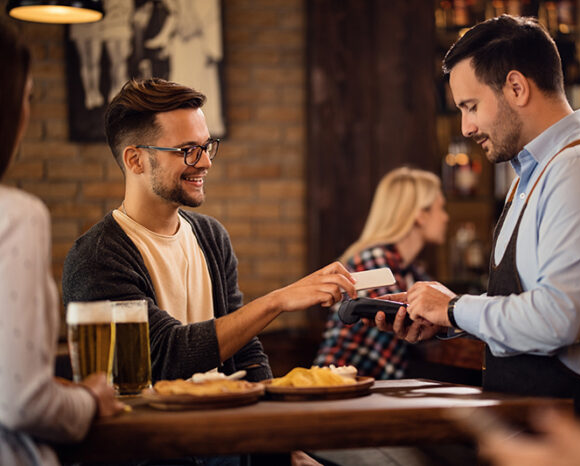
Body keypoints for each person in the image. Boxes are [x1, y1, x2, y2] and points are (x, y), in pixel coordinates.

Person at [375, 15, 580, 427]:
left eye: (471, 106)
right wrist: (446, 318)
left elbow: (558, 319)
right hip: (532, 416)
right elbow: (527, 310)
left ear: (516, 88)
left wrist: (454, 309)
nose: (466, 127)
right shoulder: (539, 170)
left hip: (573, 427)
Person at [62, 78, 356, 385]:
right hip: (147, 432)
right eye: (187, 150)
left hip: (224, 426)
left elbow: (245, 350)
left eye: (206, 147)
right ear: (135, 160)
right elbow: (165, 356)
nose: (204, 162)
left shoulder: (211, 236)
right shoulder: (96, 258)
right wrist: (277, 301)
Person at [0, 25, 123, 466]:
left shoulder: (210, 237)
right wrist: (90, 400)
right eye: (26, 97)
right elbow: (23, 401)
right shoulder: (16, 215)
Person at [314, 167, 448, 379]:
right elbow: (416, 318)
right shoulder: (372, 261)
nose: (446, 218)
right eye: (441, 208)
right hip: (338, 389)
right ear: (421, 215)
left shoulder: (412, 271)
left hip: (370, 389)